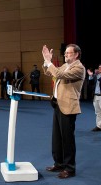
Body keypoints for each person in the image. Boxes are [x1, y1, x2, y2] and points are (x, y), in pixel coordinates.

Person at [42, 44, 85, 179]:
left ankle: (70, 169)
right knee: (57, 138)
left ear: (76, 54)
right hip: (58, 104)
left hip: (68, 106)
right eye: (65, 53)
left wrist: (50, 62)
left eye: (68, 53)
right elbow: (49, 72)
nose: (65, 55)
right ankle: (59, 163)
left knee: (67, 139)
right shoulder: (64, 66)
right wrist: (46, 61)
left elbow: (59, 74)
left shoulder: (79, 68)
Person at [87, 64, 101, 131]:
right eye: (99, 67)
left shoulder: (98, 76)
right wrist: (90, 76)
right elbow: (90, 84)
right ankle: (99, 126)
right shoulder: (95, 76)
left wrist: (96, 75)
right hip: (95, 96)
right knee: (97, 112)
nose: (99, 69)